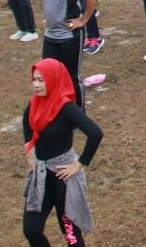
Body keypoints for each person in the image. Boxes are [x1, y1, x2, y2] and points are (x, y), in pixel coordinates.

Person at [23, 58, 102, 247]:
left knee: (70, 235)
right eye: (34, 79)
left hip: (62, 179)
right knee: (31, 230)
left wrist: (79, 164)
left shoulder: (66, 108)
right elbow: (27, 123)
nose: (36, 85)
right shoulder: (35, 103)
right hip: (41, 176)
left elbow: (95, 133)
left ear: (53, 79)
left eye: (41, 80)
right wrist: (29, 149)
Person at [37, 0, 98, 106]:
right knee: (48, 75)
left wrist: (83, 20)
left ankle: (79, 115)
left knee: (72, 76)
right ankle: (56, 111)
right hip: (50, 35)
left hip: (69, 36)